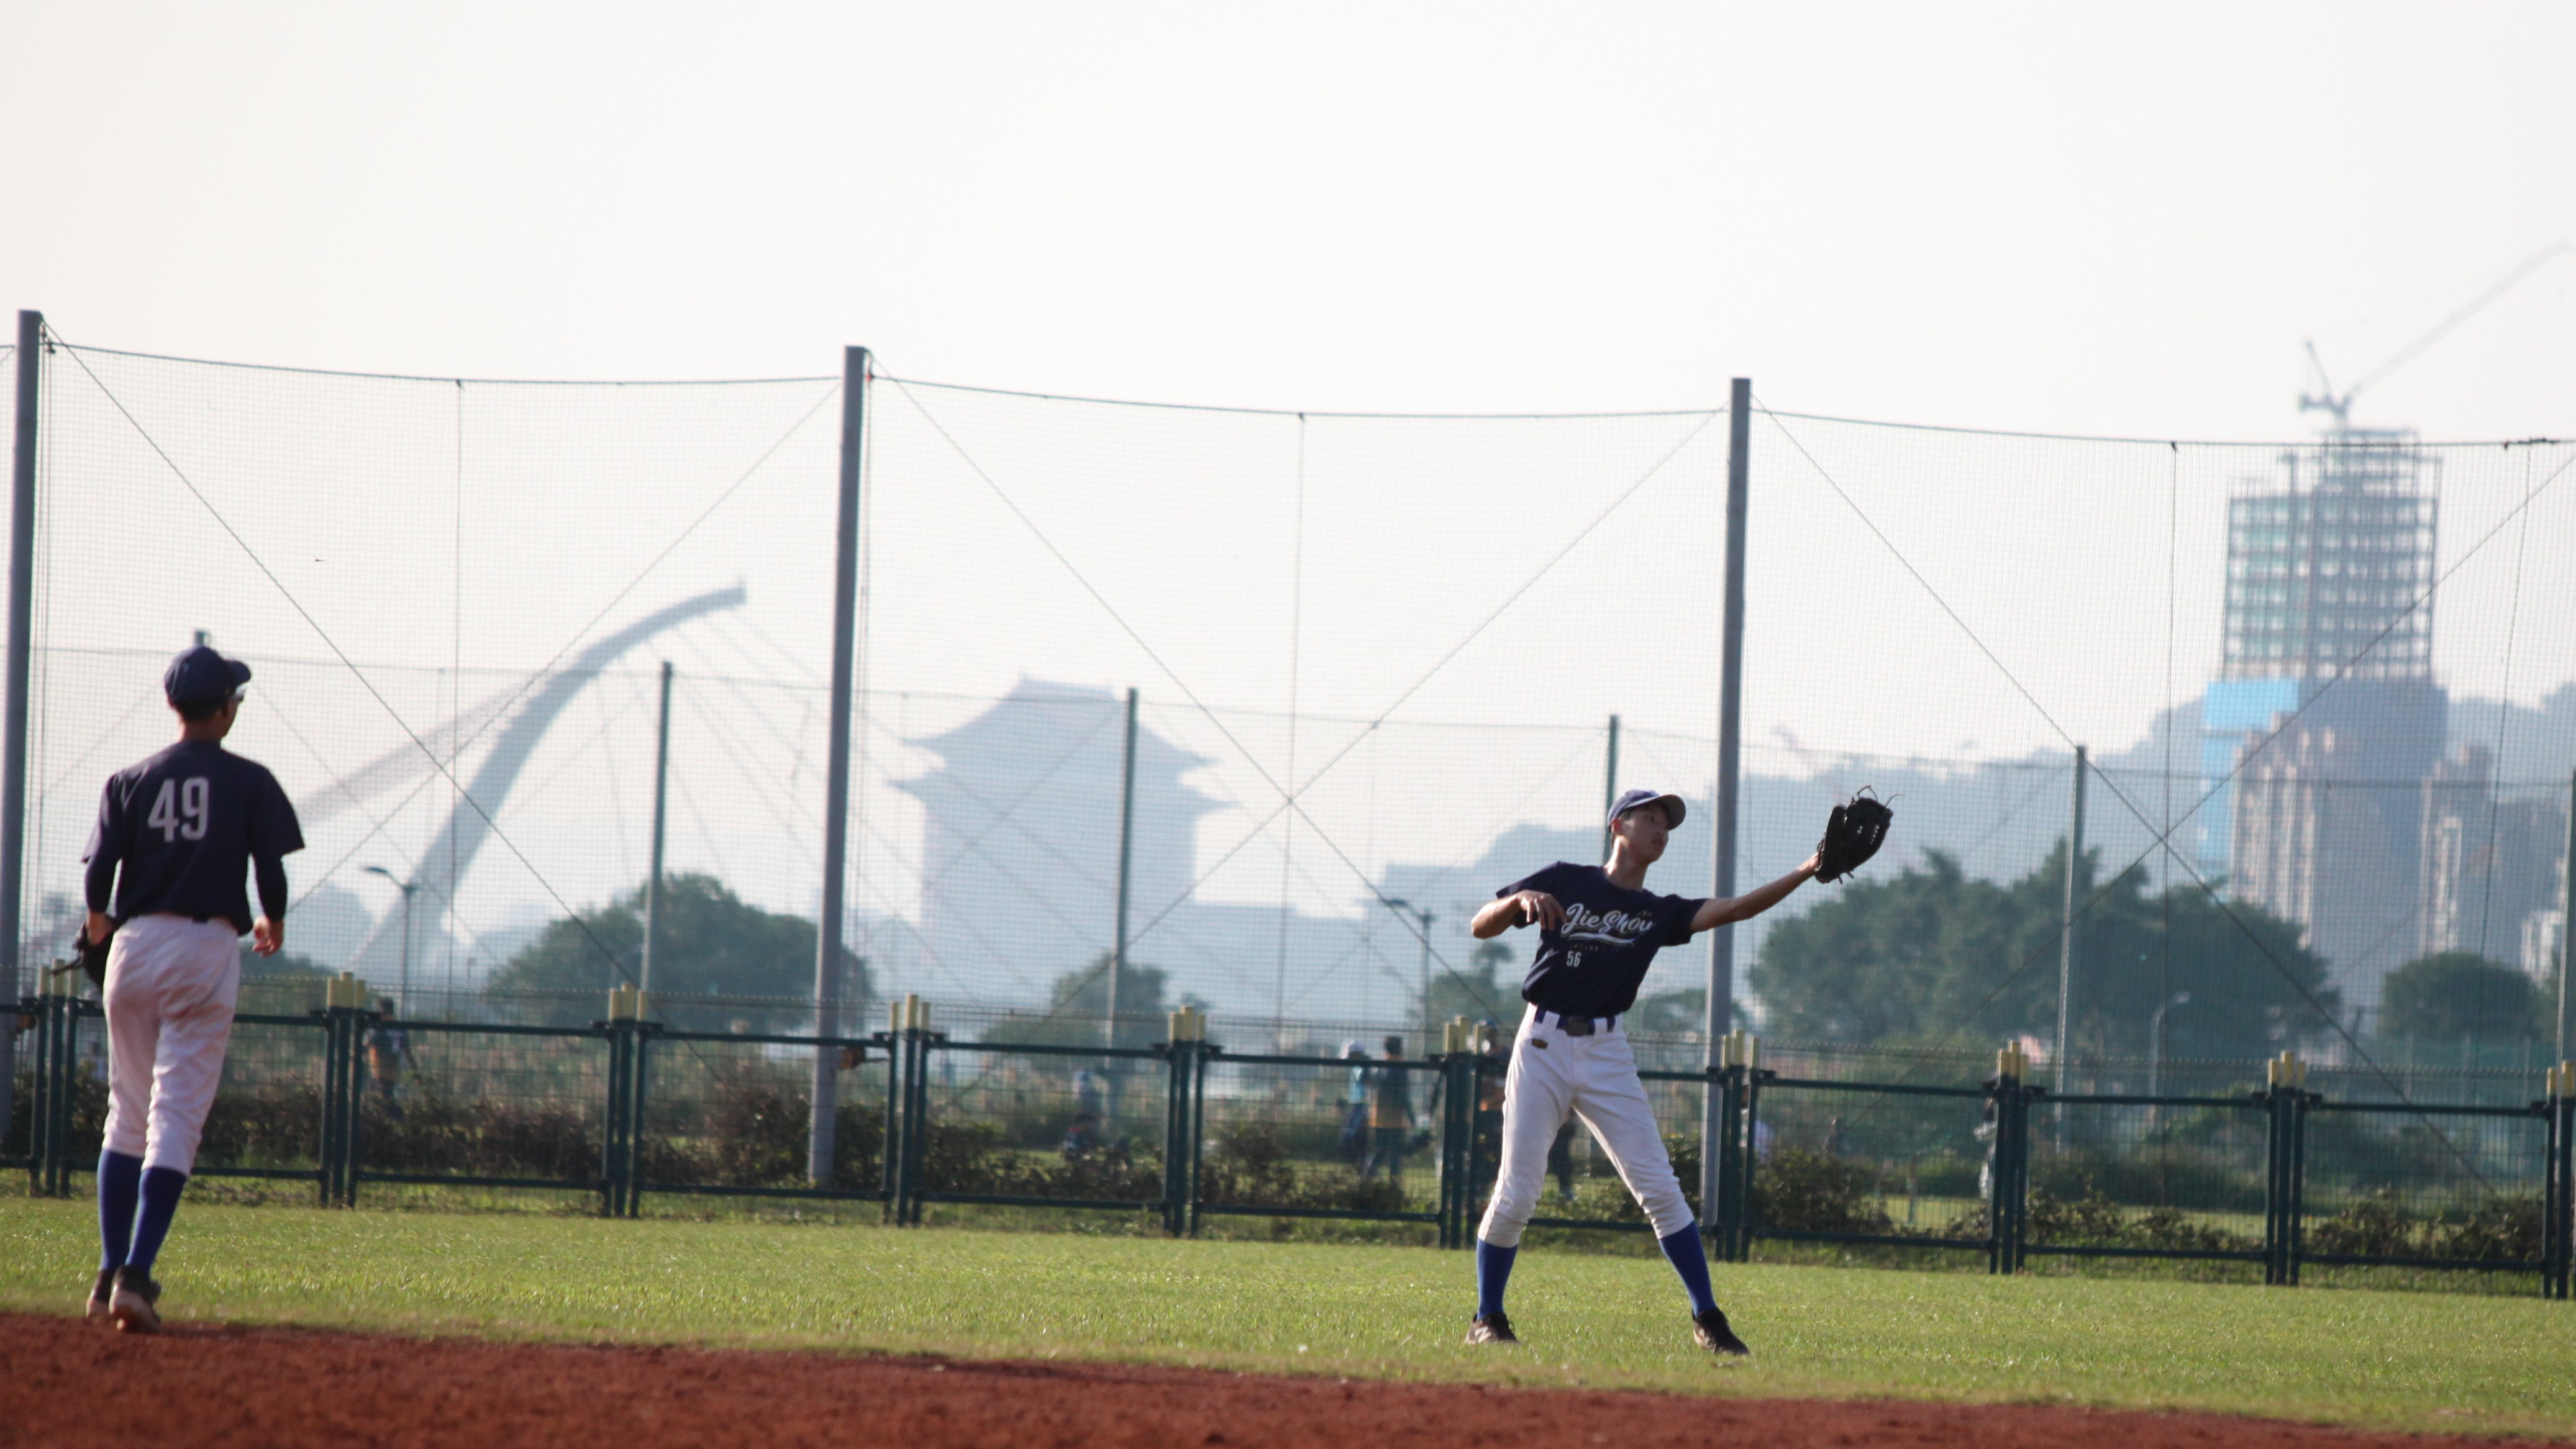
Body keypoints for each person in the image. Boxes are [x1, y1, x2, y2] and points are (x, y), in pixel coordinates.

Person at [1465, 787, 1820, 1356]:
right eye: (1649, 817)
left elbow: (1738, 908)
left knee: (1659, 1187)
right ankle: (1487, 1316)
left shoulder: (1657, 911)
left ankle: (1708, 1318)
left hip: (1607, 1050)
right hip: (1542, 1042)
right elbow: (1480, 926)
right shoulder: (1564, 879)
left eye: (1666, 824)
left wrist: (1806, 869)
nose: (1660, 828)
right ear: (1617, 825)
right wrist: (1518, 900)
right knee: (1518, 1190)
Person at [79, 645, 303, 1333]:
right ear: (226, 709)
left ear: (174, 705)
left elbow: (98, 876)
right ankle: (137, 1276)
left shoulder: (129, 779)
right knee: (174, 1118)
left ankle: (107, 1272)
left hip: (134, 945)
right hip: (203, 947)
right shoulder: (250, 779)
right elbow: (269, 870)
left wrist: (99, 927)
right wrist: (272, 920)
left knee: (126, 1113)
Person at [1363, 1035, 1414, 1183]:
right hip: (1396, 1118)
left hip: (1378, 1117)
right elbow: (1403, 1095)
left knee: (1379, 1151)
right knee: (1395, 1154)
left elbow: (1368, 1081)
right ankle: (1394, 1182)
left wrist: (1365, 1065)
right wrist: (1411, 1116)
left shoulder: (1380, 1067)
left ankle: (1367, 1176)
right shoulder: (1401, 1068)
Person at [365, 997, 410, 1120]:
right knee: (387, 1092)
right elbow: (407, 1050)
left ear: (383, 1010)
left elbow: (370, 1043)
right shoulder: (400, 1027)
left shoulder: (379, 1027)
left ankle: (394, 1117)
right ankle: (392, 1117)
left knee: (385, 1094)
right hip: (393, 1066)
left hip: (381, 1065)